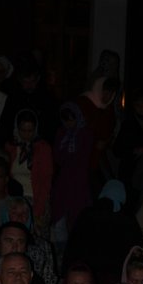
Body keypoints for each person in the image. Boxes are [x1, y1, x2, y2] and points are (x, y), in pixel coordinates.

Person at [62, 179, 143, 284]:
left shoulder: (87, 214)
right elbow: (136, 246)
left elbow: (73, 246)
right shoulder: (126, 218)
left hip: (88, 277)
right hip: (115, 277)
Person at [50, 100, 94, 267]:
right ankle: (62, 256)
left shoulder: (85, 134)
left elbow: (82, 158)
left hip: (79, 183)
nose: (69, 123)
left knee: (77, 219)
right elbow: (58, 157)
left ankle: (77, 257)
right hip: (63, 183)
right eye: (66, 120)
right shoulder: (61, 134)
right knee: (59, 218)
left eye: (71, 119)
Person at [4, 108, 53, 237]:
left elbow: (45, 180)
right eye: (23, 130)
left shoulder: (43, 148)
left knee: (36, 239)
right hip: (15, 200)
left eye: (30, 131)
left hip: (37, 199)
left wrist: (37, 210)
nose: (26, 135)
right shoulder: (10, 147)